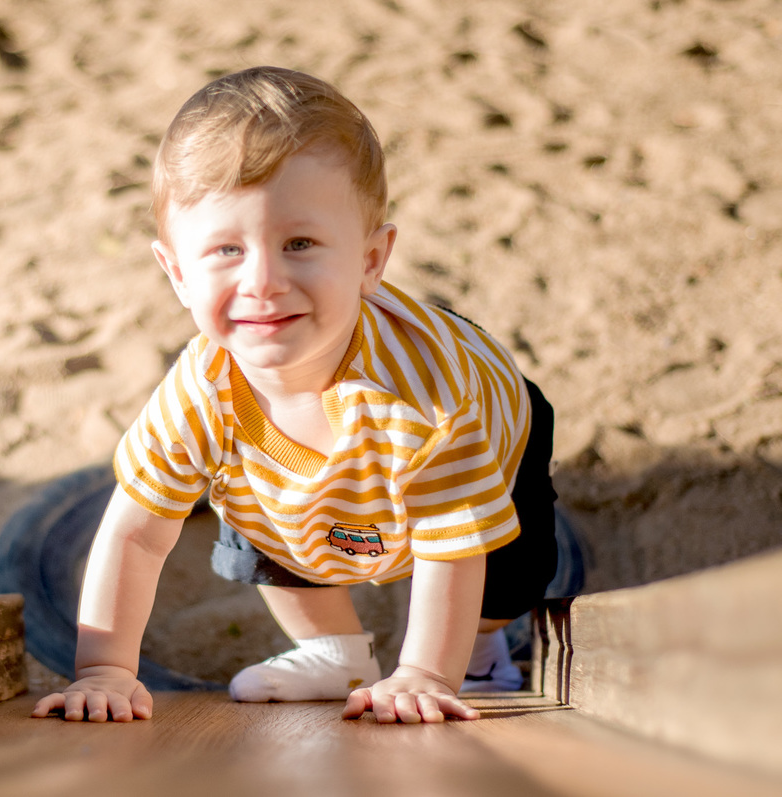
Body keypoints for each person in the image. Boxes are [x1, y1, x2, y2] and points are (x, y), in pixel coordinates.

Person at [31, 66, 558, 724]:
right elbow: (136, 536)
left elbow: (452, 543)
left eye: (300, 243)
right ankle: (335, 649)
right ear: (176, 273)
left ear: (370, 261)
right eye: (225, 249)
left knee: (508, 574)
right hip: (319, 484)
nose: (263, 281)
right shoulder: (199, 394)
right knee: (257, 524)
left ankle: (482, 648)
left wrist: (424, 673)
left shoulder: (428, 404)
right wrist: (105, 669)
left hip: (498, 436)